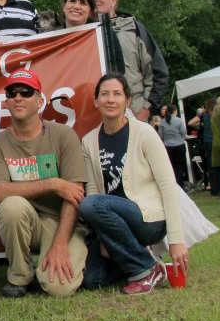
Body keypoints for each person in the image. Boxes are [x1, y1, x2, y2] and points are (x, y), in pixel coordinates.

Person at [79, 73, 188, 294]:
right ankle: (142, 256)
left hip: (147, 219)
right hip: (113, 221)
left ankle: (146, 269)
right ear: (96, 101)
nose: (110, 99)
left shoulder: (145, 133)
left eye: (117, 94)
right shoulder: (89, 141)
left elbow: (168, 185)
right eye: (105, 94)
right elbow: (92, 189)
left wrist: (176, 240)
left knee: (89, 204)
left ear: (127, 101)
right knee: (93, 279)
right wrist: (103, 235)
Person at [0, 69, 87, 298]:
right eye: (12, 93)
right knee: (11, 206)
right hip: (27, 221)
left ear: (40, 101)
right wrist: (52, 183)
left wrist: (60, 244)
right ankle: (20, 276)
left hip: (63, 222)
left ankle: (78, 257)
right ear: (6, 102)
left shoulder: (64, 135)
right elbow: (0, 193)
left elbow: (75, 195)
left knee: (59, 289)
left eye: (26, 92)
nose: (18, 97)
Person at [86, 0, 169, 120]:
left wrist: (146, 110)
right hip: (90, 117)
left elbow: (158, 74)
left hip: (133, 114)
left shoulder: (135, 29)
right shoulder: (78, 35)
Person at [188, 99, 217, 194]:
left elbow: (190, 122)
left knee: (210, 164)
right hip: (216, 139)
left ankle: (212, 187)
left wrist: (199, 126)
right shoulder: (217, 113)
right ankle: (218, 185)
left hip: (207, 140)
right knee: (218, 163)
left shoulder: (203, 115)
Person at [157, 103, 189, 188]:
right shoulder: (179, 120)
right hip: (179, 145)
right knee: (180, 166)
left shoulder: (163, 122)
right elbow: (183, 133)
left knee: (171, 167)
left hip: (168, 146)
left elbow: (160, 135)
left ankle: (173, 186)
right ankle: (180, 185)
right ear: (175, 111)